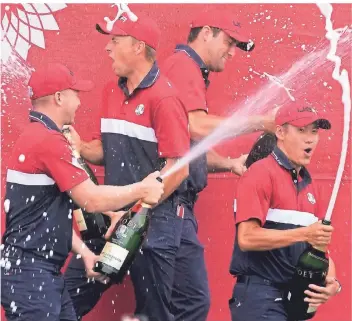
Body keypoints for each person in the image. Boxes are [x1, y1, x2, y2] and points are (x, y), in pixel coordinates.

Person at [0, 63, 164, 321]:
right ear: (58, 97)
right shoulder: (48, 142)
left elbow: (47, 215)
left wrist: (85, 252)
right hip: (31, 276)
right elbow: (91, 199)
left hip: (33, 273)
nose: (78, 101)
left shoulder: (37, 136)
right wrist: (143, 188)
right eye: (75, 93)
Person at [63, 10, 190, 321]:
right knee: (63, 301)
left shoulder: (165, 99)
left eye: (115, 40)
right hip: (109, 218)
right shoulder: (110, 91)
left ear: (138, 47)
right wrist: (79, 148)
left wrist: (136, 212)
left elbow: (179, 167)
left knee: (155, 315)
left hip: (153, 228)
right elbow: (107, 151)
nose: (108, 48)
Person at [157, 9, 276, 321]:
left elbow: (185, 146)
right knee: (190, 303)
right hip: (169, 209)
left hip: (173, 208)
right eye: (229, 41)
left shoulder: (184, 68)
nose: (232, 52)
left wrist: (229, 164)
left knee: (175, 304)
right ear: (206, 32)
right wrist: (260, 122)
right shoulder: (185, 66)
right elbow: (195, 126)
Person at [229, 102, 342, 321]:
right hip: (260, 298)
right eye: (301, 130)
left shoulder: (310, 185)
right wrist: (305, 234)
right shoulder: (260, 173)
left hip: (293, 300)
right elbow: (247, 238)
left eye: (314, 131)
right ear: (280, 132)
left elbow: (318, 249)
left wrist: (333, 283)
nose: (310, 138)